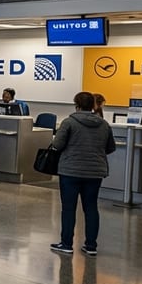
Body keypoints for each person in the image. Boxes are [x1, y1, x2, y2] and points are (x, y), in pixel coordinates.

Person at [49, 92, 116, 256]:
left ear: (77, 105)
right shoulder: (104, 124)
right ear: (93, 105)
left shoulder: (69, 122)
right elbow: (110, 148)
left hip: (70, 171)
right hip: (95, 172)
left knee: (69, 208)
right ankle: (91, 246)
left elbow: (57, 145)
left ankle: (66, 244)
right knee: (91, 208)